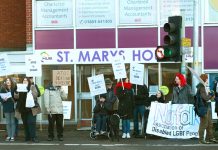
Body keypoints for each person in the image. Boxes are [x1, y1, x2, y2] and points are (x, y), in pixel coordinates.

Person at [15, 77, 39, 142]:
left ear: (28, 81)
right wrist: (16, 92)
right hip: (23, 109)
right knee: (25, 123)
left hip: (31, 109)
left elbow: (36, 95)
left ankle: (33, 137)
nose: (25, 81)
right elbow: (16, 97)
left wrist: (30, 91)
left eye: (26, 80)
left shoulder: (32, 87)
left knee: (31, 122)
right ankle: (27, 137)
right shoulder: (19, 88)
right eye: (24, 80)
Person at [196, 74, 217, 144]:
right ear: (204, 79)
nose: (207, 80)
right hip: (203, 107)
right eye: (207, 78)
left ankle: (210, 138)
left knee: (210, 123)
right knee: (204, 124)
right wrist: (211, 94)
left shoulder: (204, 87)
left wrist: (210, 94)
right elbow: (205, 98)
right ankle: (201, 139)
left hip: (207, 106)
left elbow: (207, 97)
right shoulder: (201, 87)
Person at [0, 77, 16, 141]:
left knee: (12, 122)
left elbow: (17, 98)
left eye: (9, 80)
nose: (8, 81)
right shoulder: (3, 88)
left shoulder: (14, 88)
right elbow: (0, 98)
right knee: (8, 122)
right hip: (6, 106)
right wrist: (3, 99)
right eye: (7, 80)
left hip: (13, 106)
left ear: (11, 81)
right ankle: (9, 135)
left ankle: (12, 136)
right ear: (5, 82)